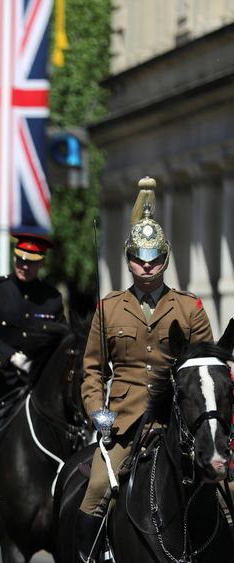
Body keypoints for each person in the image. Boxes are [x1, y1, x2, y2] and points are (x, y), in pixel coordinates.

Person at [75, 177, 213, 562]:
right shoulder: (109, 308)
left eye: (154, 258)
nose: (146, 266)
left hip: (178, 422)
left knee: (224, 486)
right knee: (98, 489)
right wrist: (95, 412)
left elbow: (204, 365)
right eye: (139, 258)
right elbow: (91, 371)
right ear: (128, 258)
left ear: (165, 259)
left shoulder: (190, 309)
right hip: (124, 422)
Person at [0, 233, 66, 397]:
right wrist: (11, 356)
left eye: (31, 262)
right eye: (20, 260)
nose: (24, 266)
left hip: (38, 385)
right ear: (14, 258)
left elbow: (61, 340)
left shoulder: (52, 298)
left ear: (42, 262)